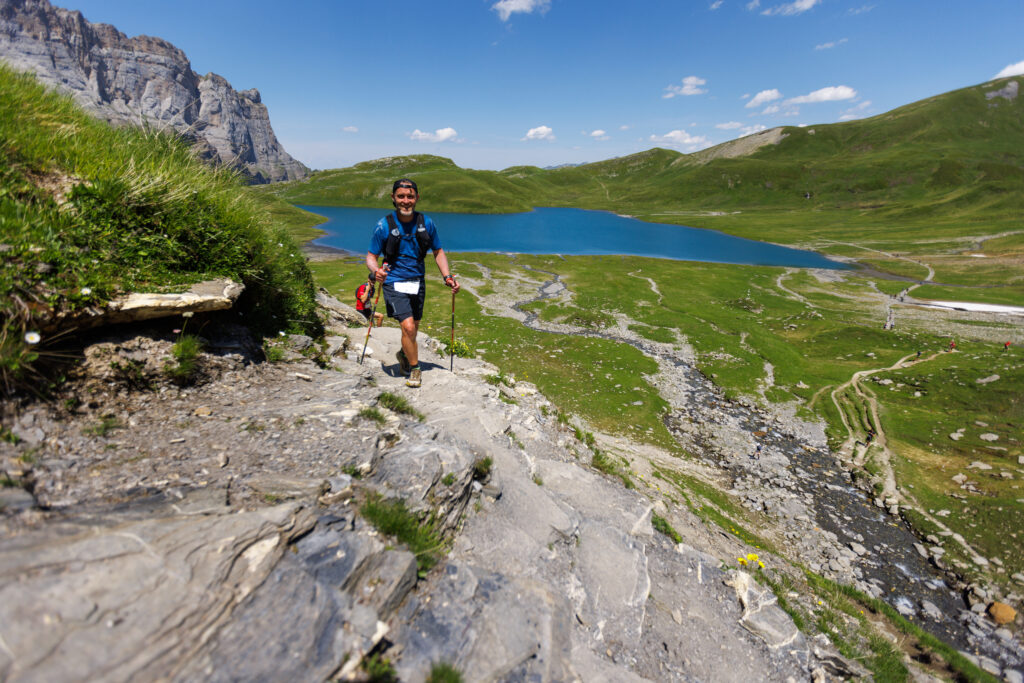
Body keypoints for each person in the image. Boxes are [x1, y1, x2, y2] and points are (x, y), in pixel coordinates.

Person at [366, 179, 459, 387]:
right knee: (408, 327)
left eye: (410, 196)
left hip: (417, 281)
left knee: (413, 329)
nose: (405, 201)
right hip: (393, 281)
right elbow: (371, 256)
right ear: (393, 198)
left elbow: (438, 251)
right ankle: (415, 369)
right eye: (401, 196)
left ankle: (404, 355)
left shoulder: (427, 223)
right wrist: (376, 271)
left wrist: (447, 277)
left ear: (417, 198)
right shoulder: (383, 225)